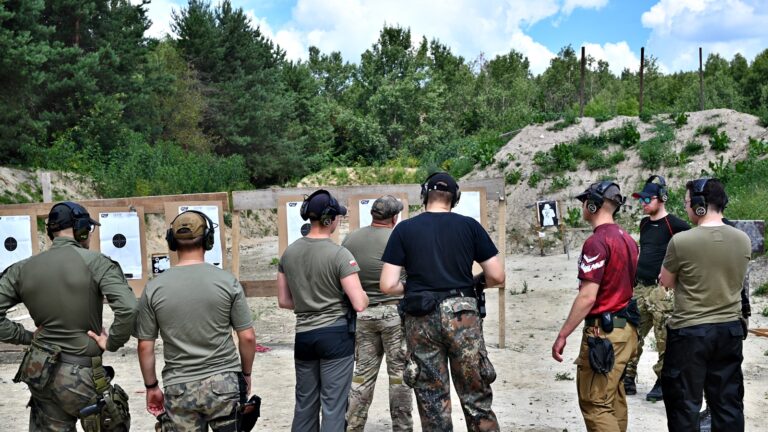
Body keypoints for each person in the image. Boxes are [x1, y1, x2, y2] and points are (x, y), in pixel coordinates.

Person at [380, 172, 505, 431]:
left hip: (421, 317)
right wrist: (475, 283)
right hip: (462, 315)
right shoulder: (470, 226)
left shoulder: (404, 229)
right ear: (454, 198)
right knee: (476, 397)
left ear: (424, 195)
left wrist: (414, 288)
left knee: (432, 403)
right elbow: (497, 275)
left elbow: (388, 285)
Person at [0, 201, 136, 431]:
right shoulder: (97, 263)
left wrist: (28, 337)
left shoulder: (22, 268)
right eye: (88, 229)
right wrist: (112, 341)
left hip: (41, 372)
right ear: (81, 229)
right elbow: (129, 308)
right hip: (82, 374)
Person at [134, 210, 256, 431]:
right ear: (208, 240)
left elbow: (145, 346)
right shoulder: (227, 282)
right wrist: (246, 374)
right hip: (224, 383)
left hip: (179, 387)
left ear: (172, 241)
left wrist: (151, 386)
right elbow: (247, 337)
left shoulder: (153, 288)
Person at [659, 178, 750, 432]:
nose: (686, 207)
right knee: (728, 404)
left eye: (687, 202)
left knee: (684, 405)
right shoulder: (743, 239)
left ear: (699, 204)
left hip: (690, 332)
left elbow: (666, 282)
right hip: (730, 330)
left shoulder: (681, 241)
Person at [277, 189, 368, 432]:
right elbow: (359, 303)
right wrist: (365, 295)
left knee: (305, 405)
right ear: (330, 220)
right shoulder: (340, 254)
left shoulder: (289, 253)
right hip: (335, 336)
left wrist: (309, 302)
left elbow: (284, 300)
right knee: (333, 407)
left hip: (304, 336)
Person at [551, 181, 639, 432]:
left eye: (585, 201)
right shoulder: (627, 239)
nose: (583, 206)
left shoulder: (597, 242)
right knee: (613, 398)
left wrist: (563, 334)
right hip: (626, 330)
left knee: (595, 404)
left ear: (593, 205)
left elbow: (588, 296)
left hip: (604, 332)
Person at [343, 195, 413, 432]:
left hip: (363, 314)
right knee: (399, 377)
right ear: (394, 218)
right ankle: (402, 428)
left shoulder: (351, 238)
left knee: (362, 376)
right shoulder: (399, 238)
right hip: (395, 314)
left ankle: (353, 426)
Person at [624, 175, 689, 400]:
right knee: (632, 332)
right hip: (640, 287)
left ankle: (663, 381)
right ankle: (628, 377)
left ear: (661, 198)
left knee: (664, 338)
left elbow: (689, 254)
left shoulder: (676, 225)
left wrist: (675, 278)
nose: (643, 203)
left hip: (662, 291)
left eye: (647, 199)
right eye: (641, 199)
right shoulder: (644, 223)